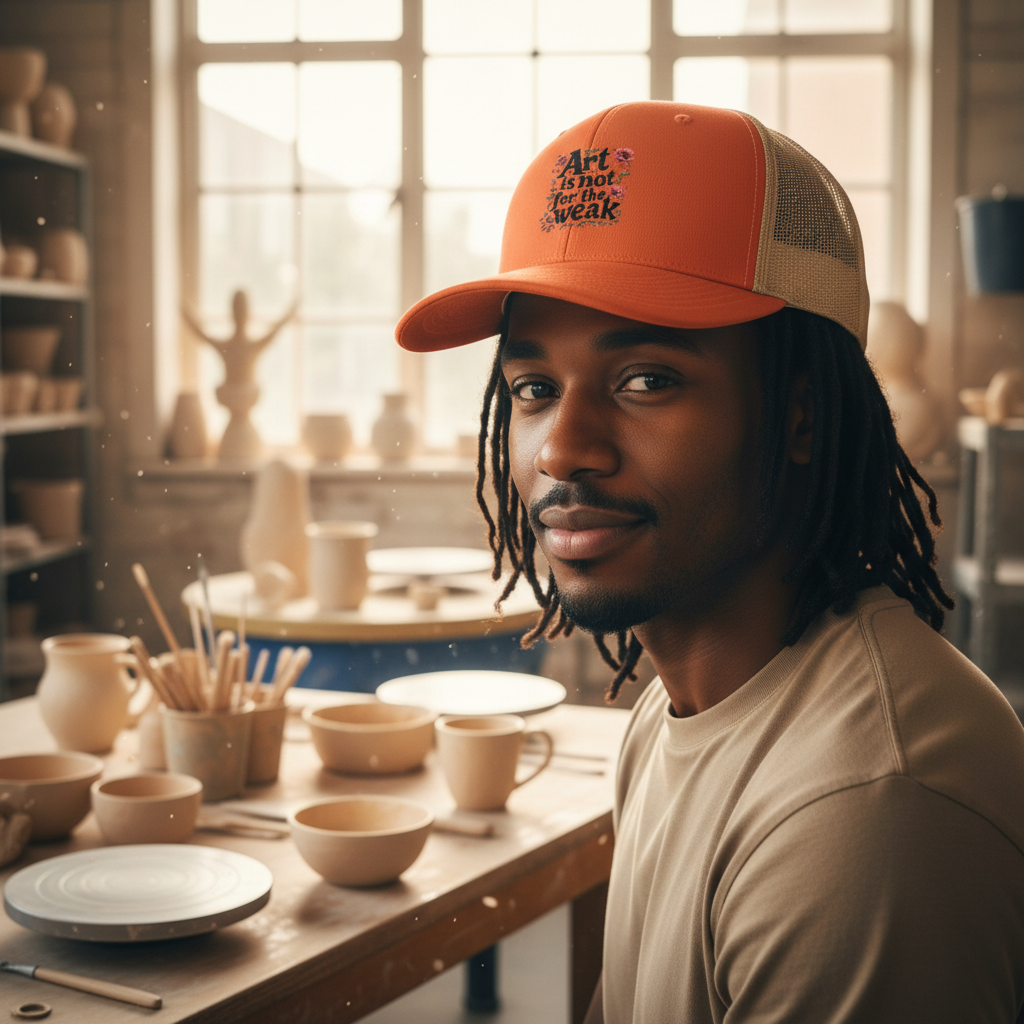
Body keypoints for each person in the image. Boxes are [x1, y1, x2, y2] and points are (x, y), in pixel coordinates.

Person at [395, 102, 1024, 1022]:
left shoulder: (864, 814)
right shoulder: (673, 711)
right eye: (534, 387)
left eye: (646, 378)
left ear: (802, 416)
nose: (562, 448)